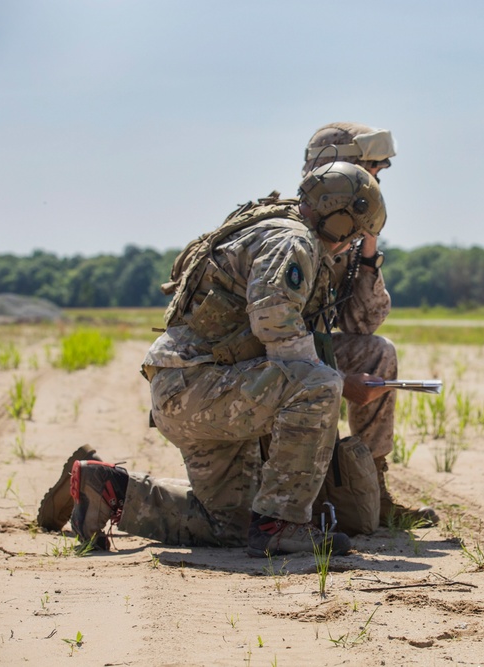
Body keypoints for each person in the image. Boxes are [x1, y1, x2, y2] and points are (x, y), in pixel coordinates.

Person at [68, 161, 386, 557]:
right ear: (338, 221)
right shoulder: (293, 241)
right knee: (319, 386)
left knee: (231, 525)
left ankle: (110, 490)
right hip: (201, 390)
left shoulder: (276, 225)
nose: (348, 245)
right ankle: (282, 524)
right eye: (352, 236)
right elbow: (274, 321)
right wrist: (340, 379)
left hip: (194, 388)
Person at [301, 123, 438, 528]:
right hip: (270, 356)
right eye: (369, 173)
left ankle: (370, 489)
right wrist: (338, 380)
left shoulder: (347, 235)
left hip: (307, 351)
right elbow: (273, 338)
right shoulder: (293, 230)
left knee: (377, 351)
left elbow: (363, 321)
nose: (373, 185)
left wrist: (368, 250)